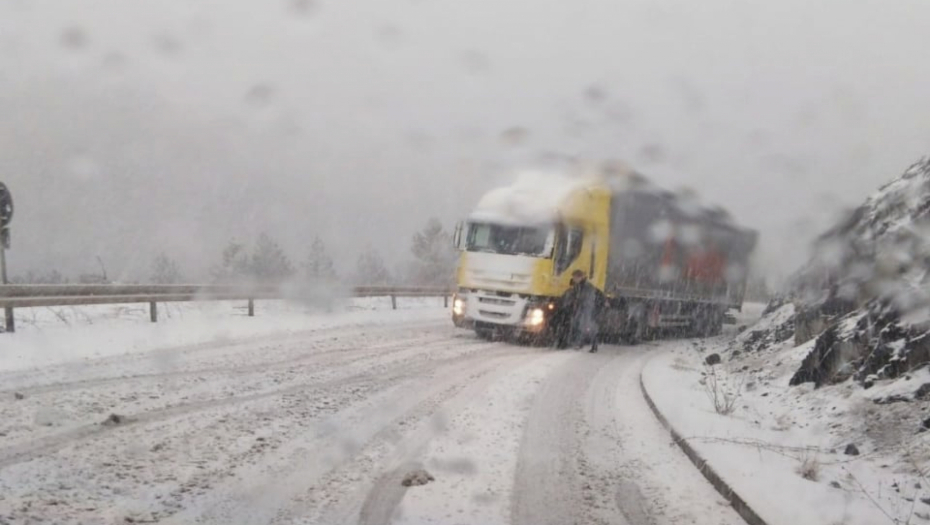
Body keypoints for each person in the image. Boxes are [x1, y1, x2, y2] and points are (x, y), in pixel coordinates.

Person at [564, 269, 605, 353]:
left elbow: (587, 297)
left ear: (581, 277)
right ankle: (580, 343)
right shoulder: (578, 286)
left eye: (576, 277)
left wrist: (577, 300)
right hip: (582, 308)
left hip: (587, 308)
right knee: (578, 324)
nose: (574, 279)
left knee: (586, 326)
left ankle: (591, 344)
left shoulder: (587, 287)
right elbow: (573, 295)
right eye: (574, 277)